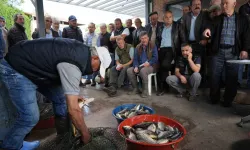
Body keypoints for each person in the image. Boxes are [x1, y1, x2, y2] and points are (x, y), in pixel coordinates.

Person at [0, 38, 98, 150]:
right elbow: (74, 110)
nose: (96, 71)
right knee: (29, 117)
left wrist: (73, 96)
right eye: (99, 66)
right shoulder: (74, 64)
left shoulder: (81, 52)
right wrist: (86, 135)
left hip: (37, 70)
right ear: (95, 58)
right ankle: (11, 145)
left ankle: (63, 138)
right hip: (16, 68)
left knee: (61, 99)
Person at [203, 0, 250, 107]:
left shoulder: (242, 19)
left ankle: (227, 101)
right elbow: (210, 26)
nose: (223, 6)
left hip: (233, 52)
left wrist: (245, 49)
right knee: (215, 76)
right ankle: (214, 99)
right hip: (218, 52)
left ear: (234, 4)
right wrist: (207, 30)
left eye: (226, 3)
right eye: (222, 3)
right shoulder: (217, 18)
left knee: (232, 78)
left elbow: (246, 36)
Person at [156, 11, 186, 96]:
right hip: (161, 49)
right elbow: (158, 38)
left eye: (170, 17)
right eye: (166, 17)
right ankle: (165, 88)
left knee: (165, 65)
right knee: (162, 68)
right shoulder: (160, 27)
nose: (168, 19)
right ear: (163, 18)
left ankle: (174, 86)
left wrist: (183, 50)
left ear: (172, 17)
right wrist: (158, 46)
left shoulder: (177, 25)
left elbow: (183, 38)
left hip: (172, 49)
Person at [127, 31, 158, 98]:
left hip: (151, 66)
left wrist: (149, 63)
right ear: (140, 39)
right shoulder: (138, 47)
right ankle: (136, 89)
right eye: (142, 38)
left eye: (145, 38)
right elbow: (135, 59)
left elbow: (155, 58)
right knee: (129, 70)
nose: (144, 40)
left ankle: (145, 90)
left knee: (143, 71)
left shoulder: (153, 45)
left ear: (148, 38)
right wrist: (135, 66)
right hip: (140, 66)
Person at [82, 22, 99, 87]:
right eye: (89, 27)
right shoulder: (85, 34)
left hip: (95, 53)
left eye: (92, 27)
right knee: (88, 66)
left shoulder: (97, 35)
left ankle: (94, 80)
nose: (90, 28)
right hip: (87, 52)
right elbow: (84, 43)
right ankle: (88, 79)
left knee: (95, 66)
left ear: (94, 28)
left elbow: (98, 45)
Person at [238, 0, 250, 88]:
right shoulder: (243, 8)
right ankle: (238, 81)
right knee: (241, 62)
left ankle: (249, 83)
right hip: (243, 39)